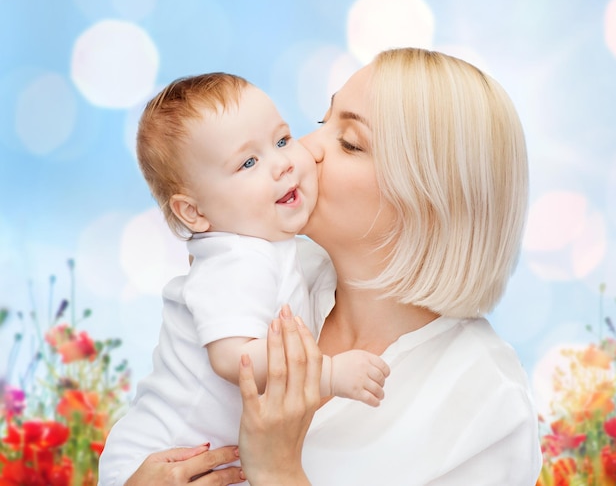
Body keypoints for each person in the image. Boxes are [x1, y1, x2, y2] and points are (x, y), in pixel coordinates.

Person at [124, 47, 543, 485]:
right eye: (323, 122)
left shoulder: (487, 404)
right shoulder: (272, 273)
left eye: (349, 143)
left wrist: (278, 470)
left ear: (432, 202)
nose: (305, 150)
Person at [98, 73, 390, 486]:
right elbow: (234, 358)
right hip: (158, 459)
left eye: (283, 140)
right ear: (195, 213)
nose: (283, 162)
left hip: (208, 460)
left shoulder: (279, 249)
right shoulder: (237, 259)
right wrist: (330, 374)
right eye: (248, 162)